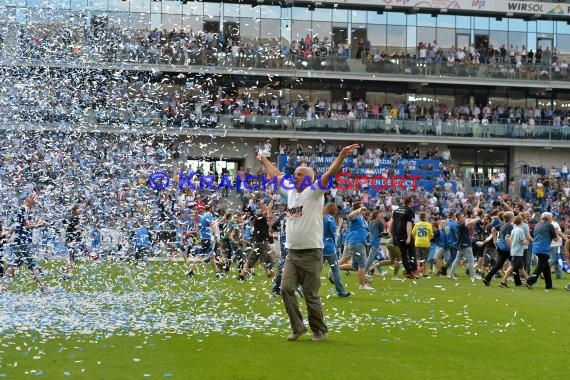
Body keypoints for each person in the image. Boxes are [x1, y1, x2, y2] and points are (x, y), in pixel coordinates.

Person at [256, 143, 359, 342]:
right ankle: (298, 327)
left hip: (312, 252)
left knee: (311, 294)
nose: (295, 176)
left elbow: (329, 174)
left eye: (300, 174)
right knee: (286, 289)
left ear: (310, 180)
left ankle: (319, 330)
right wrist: (264, 160)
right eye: (295, 173)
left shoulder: (314, 193)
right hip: (292, 253)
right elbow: (276, 173)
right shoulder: (290, 192)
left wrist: (341, 157)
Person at [4, 195, 47, 292]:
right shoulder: (24, 209)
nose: (35, 201)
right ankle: (44, 288)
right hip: (23, 243)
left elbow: (18, 225)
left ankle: (2, 287)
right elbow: (26, 226)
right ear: (27, 200)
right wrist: (38, 225)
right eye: (33, 199)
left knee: (14, 265)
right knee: (33, 265)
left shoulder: (23, 209)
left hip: (19, 242)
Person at [341, 202, 374, 290]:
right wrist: (358, 210)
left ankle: (336, 268)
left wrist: (368, 234)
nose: (364, 207)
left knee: (355, 265)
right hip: (357, 243)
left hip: (359, 242)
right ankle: (362, 285)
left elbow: (362, 228)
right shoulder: (355, 216)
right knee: (362, 264)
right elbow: (350, 216)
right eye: (362, 206)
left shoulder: (361, 217)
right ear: (358, 208)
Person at [322, 203, 351, 298]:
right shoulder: (330, 219)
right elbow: (335, 234)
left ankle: (302, 288)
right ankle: (341, 292)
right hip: (329, 247)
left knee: (315, 270)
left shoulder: (321, 217)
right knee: (335, 270)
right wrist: (339, 225)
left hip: (319, 246)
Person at [526, 212, 559, 290]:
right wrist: (556, 232)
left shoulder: (538, 224)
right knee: (540, 267)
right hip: (544, 249)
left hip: (536, 247)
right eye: (551, 218)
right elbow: (556, 239)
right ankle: (529, 281)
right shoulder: (550, 225)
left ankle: (549, 285)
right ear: (549, 218)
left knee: (546, 267)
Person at [499, 215, 528, 288]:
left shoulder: (513, 229)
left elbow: (510, 239)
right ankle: (503, 281)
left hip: (514, 250)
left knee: (521, 268)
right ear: (521, 221)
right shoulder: (521, 230)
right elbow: (522, 242)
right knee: (512, 267)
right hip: (518, 251)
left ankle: (529, 282)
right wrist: (526, 242)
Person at [391, 195, 417, 279]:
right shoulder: (410, 211)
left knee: (404, 254)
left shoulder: (396, 210)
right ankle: (413, 269)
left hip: (397, 235)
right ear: (410, 202)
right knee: (412, 252)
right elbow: (409, 224)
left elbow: (392, 222)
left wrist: (390, 233)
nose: (413, 203)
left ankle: (408, 272)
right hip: (405, 234)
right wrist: (409, 237)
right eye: (413, 201)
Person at [411, 211, 433, 276]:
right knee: (425, 259)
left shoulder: (417, 224)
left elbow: (413, 233)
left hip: (418, 243)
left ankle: (417, 273)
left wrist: (416, 239)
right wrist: (427, 239)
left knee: (418, 259)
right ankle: (424, 273)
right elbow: (431, 235)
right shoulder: (428, 225)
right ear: (425, 217)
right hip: (426, 243)